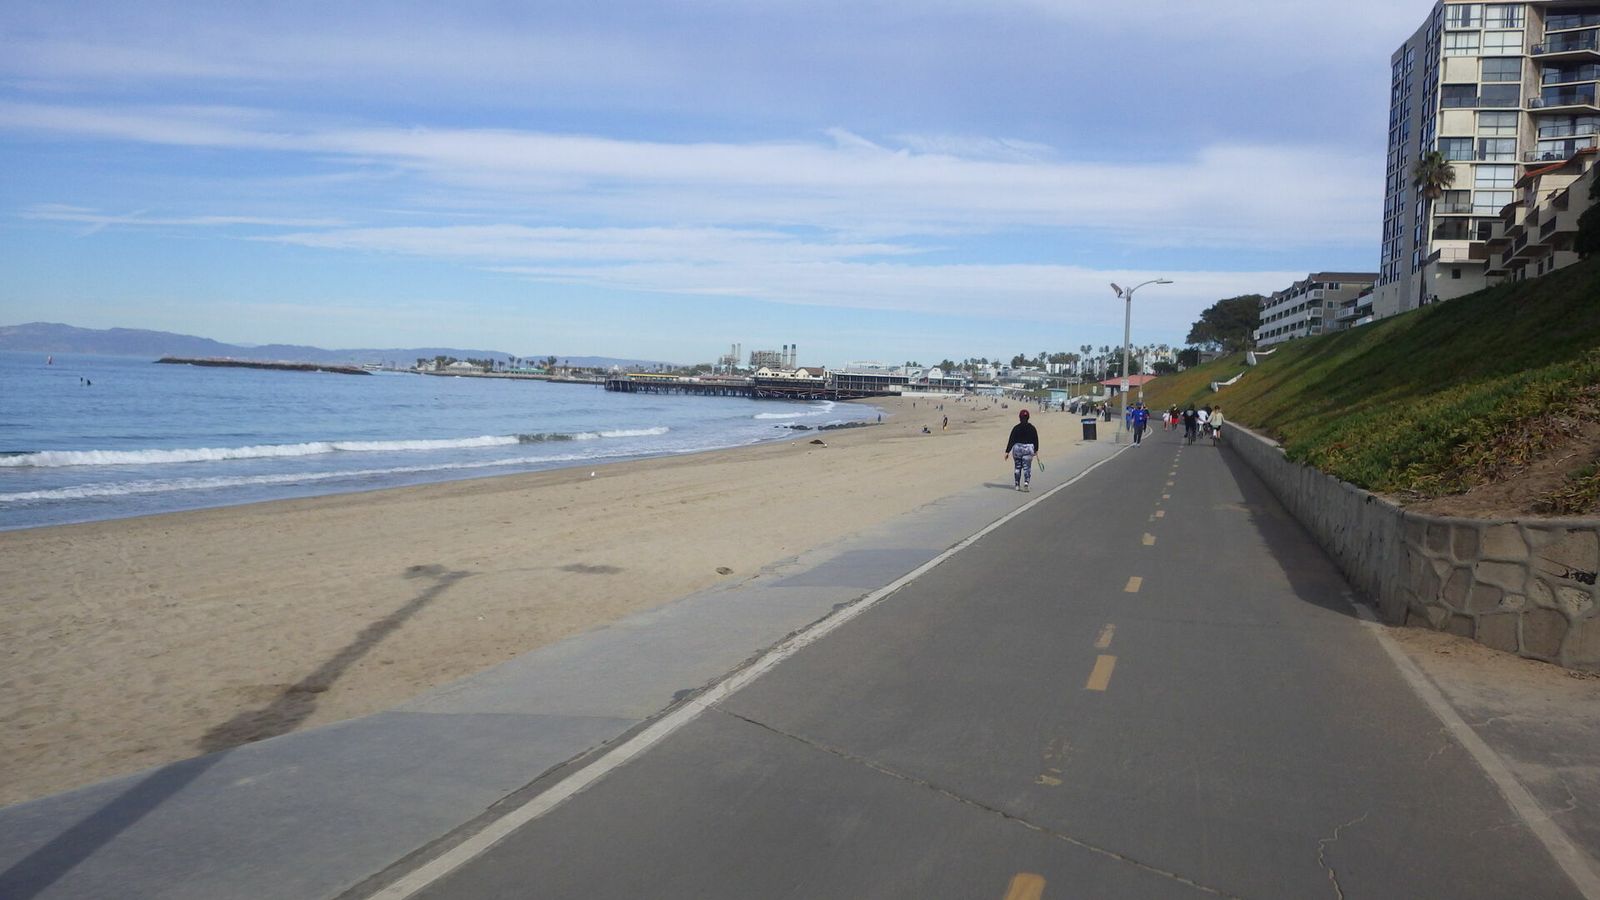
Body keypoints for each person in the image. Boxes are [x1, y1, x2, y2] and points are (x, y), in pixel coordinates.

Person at [1003, 409, 1040, 492]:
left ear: (1019, 417)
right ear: (1028, 417)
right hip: (1028, 449)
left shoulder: (1016, 428)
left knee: (1017, 467)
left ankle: (1017, 484)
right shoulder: (1032, 428)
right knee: (1027, 468)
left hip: (1017, 449)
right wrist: (1036, 450)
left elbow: (1011, 440)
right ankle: (1026, 483)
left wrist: (1007, 451)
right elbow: (1036, 440)